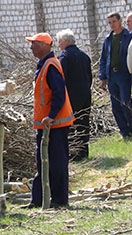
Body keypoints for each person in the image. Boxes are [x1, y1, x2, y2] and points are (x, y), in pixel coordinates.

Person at [26, 33, 74, 208]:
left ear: (44, 45)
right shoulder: (44, 64)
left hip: (56, 124)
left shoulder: (51, 65)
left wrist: (51, 115)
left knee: (57, 162)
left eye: (34, 44)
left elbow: (59, 94)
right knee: (42, 161)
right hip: (46, 124)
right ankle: (38, 199)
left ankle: (60, 200)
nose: (31, 48)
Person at [98, 12, 132, 138]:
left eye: (114, 22)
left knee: (125, 102)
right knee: (115, 106)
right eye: (109, 23)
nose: (112, 25)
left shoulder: (128, 36)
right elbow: (103, 59)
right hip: (111, 76)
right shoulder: (108, 39)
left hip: (124, 74)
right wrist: (102, 77)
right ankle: (124, 131)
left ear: (120, 21)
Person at [56, 29, 92, 161]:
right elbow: (90, 77)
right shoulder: (84, 56)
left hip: (70, 97)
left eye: (59, 42)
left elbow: (60, 79)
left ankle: (72, 153)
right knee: (83, 123)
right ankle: (83, 152)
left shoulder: (64, 57)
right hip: (85, 95)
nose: (58, 45)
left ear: (65, 41)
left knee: (69, 125)